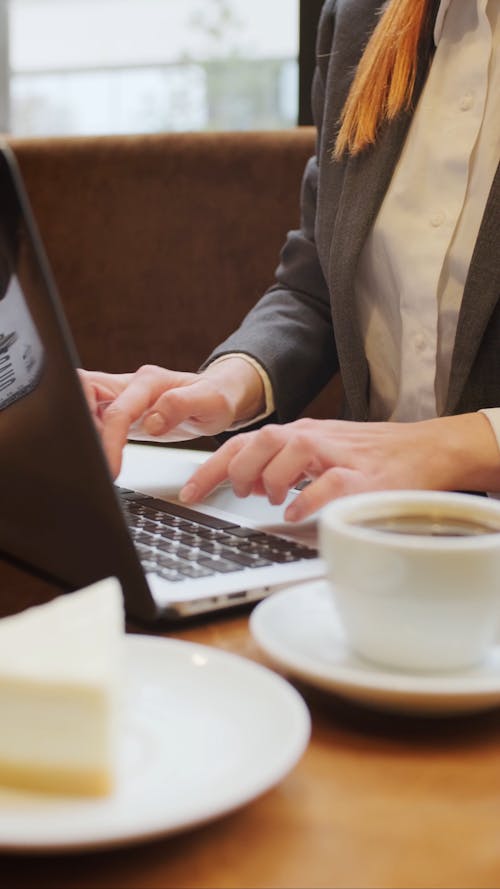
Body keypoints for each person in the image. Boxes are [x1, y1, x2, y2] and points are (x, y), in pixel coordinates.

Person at [80, 0, 500, 523]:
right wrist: (228, 383)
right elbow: (318, 284)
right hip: (364, 536)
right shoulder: (359, 16)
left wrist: (446, 448)